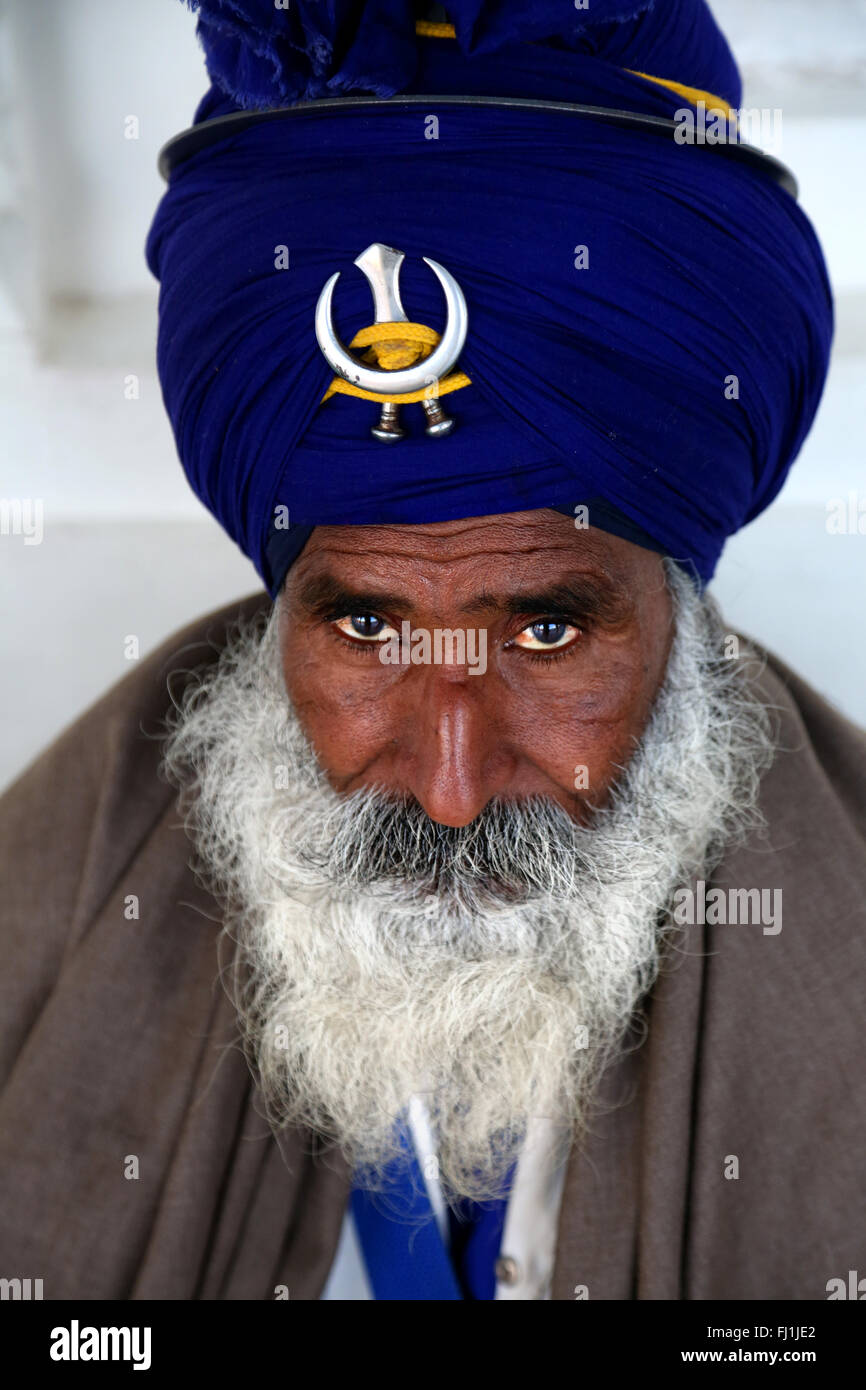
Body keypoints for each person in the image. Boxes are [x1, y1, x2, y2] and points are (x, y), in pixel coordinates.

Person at [1, 0, 863, 1301]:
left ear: (678, 612)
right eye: (363, 624)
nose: (450, 782)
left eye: (547, 626)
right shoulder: (46, 916)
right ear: (279, 617)